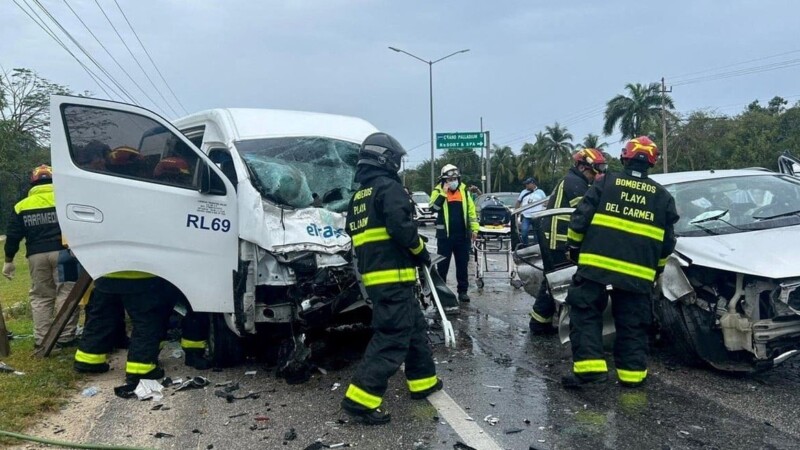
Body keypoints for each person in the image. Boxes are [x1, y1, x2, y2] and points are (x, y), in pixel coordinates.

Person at [561, 136, 679, 388]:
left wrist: (573, 249)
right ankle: (632, 376)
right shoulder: (663, 197)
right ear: (651, 162)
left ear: (625, 157)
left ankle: (589, 369)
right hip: (637, 275)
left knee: (585, 312)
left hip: (596, 266)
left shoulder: (606, 183)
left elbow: (580, 219)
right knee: (633, 323)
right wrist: (655, 272)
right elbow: (667, 244)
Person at [341, 132, 441, 425]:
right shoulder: (389, 188)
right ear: (385, 158)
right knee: (393, 336)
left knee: (414, 329)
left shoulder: (359, 196)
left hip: (376, 278)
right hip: (394, 277)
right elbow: (402, 230)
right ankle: (359, 400)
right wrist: (421, 251)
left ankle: (423, 382)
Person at [74, 148, 176, 385]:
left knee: (102, 317)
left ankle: (88, 360)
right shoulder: (149, 190)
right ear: (139, 166)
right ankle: (141, 369)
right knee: (146, 321)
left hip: (106, 269)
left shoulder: (98, 189)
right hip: (140, 273)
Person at [529, 148, 607, 335]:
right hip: (559, 240)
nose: (593, 176)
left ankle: (540, 321)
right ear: (582, 167)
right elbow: (584, 213)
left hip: (556, 238)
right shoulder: (575, 183)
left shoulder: (574, 181)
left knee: (552, 280)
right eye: (592, 171)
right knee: (559, 281)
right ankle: (543, 322)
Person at [3, 165, 78, 348]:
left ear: (33, 183)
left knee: (41, 296)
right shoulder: (64, 199)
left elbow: (12, 236)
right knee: (66, 293)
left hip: (36, 256)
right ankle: (65, 336)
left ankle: (42, 339)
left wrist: (9, 260)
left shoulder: (21, 206)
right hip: (63, 254)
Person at [430, 164, 479, 303]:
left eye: (455, 178)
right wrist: (443, 193)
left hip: (462, 235)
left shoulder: (464, 191)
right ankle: (440, 292)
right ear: (444, 180)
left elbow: (471, 211)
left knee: (462, 265)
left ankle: (462, 291)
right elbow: (434, 208)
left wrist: (474, 229)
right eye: (449, 179)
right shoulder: (437, 191)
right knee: (442, 266)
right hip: (444, 236)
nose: (452, 181)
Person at [514, 177, 547, 247]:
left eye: (528, 184)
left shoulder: (540, 192)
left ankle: (537, 247)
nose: (526, 185)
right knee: (524, 232)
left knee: (537, 233)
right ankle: (525, 245)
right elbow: (518, 202)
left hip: (537, 216)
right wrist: (516, 212)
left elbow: (546, 202)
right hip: (526, 216)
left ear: (533, 184)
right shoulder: (523, 192)